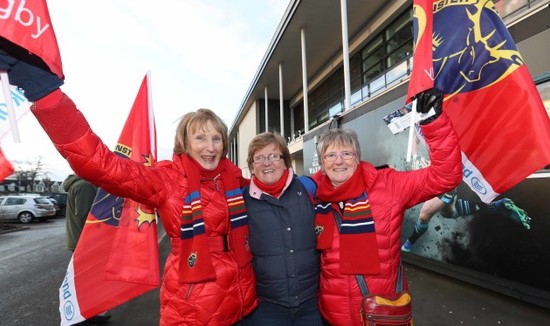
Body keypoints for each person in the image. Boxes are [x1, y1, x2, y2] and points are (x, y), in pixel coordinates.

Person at [0, 50, 257, 325]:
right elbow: (101, 164)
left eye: (216, 138)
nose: (210, 146)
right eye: (201, 138)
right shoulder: (167, 178)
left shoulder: (233, 179)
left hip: (243, 300)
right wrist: (47, 95)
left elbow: (270, 191)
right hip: (194, 306)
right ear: (185, 142)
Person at [310, 88, 462, 325]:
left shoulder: (388, 185)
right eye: (330, 156)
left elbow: (445, 176)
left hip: (381, 313)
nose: (338, 161)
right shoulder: (314, 196)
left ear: (358, 157)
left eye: (346, 153)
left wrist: (434, 123)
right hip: (331, 317)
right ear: (322, 164)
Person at [242, 132, 322, 325]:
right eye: (259, 158)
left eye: (273, 156)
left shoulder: (309, 189)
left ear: (286, 161)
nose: (266, 163)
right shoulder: (241, 201)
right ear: (252, 166)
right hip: (266, 308)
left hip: (311, 304)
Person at [401, 191, 531, 252]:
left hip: (445, 174)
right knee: (449, 212)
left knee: (425, 215)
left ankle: (408, 244)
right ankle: (498, 206)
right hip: (445, 174)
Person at [63, 175, 109, 325]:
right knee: (85, 283)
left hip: (81, 241)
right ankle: (81, 320)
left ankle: (89, 315)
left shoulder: (81, 184)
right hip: (84, 243)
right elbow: (87, 216)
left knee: (88, 282)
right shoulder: (84, 186)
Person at [63, 174, 98, 252]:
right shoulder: (85, 185)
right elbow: (84, 215)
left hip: (79, 238)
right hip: (83, 240)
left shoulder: (81, 184)